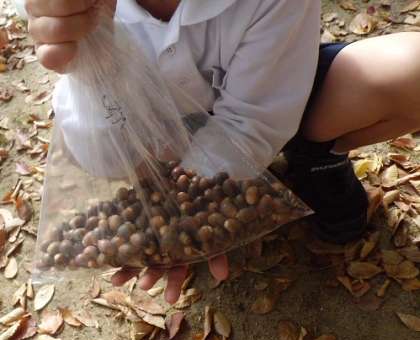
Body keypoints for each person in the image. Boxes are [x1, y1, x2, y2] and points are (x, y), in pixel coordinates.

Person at [26, 0, 420, 303]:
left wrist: (194, 201)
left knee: (410, 70)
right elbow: (104, 151)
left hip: (278, 90)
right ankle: (181, 183)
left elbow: (253, 122)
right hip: (163, 131)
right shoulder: (69, 11)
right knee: (110, 146)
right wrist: (177, 209)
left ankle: (315, 153)